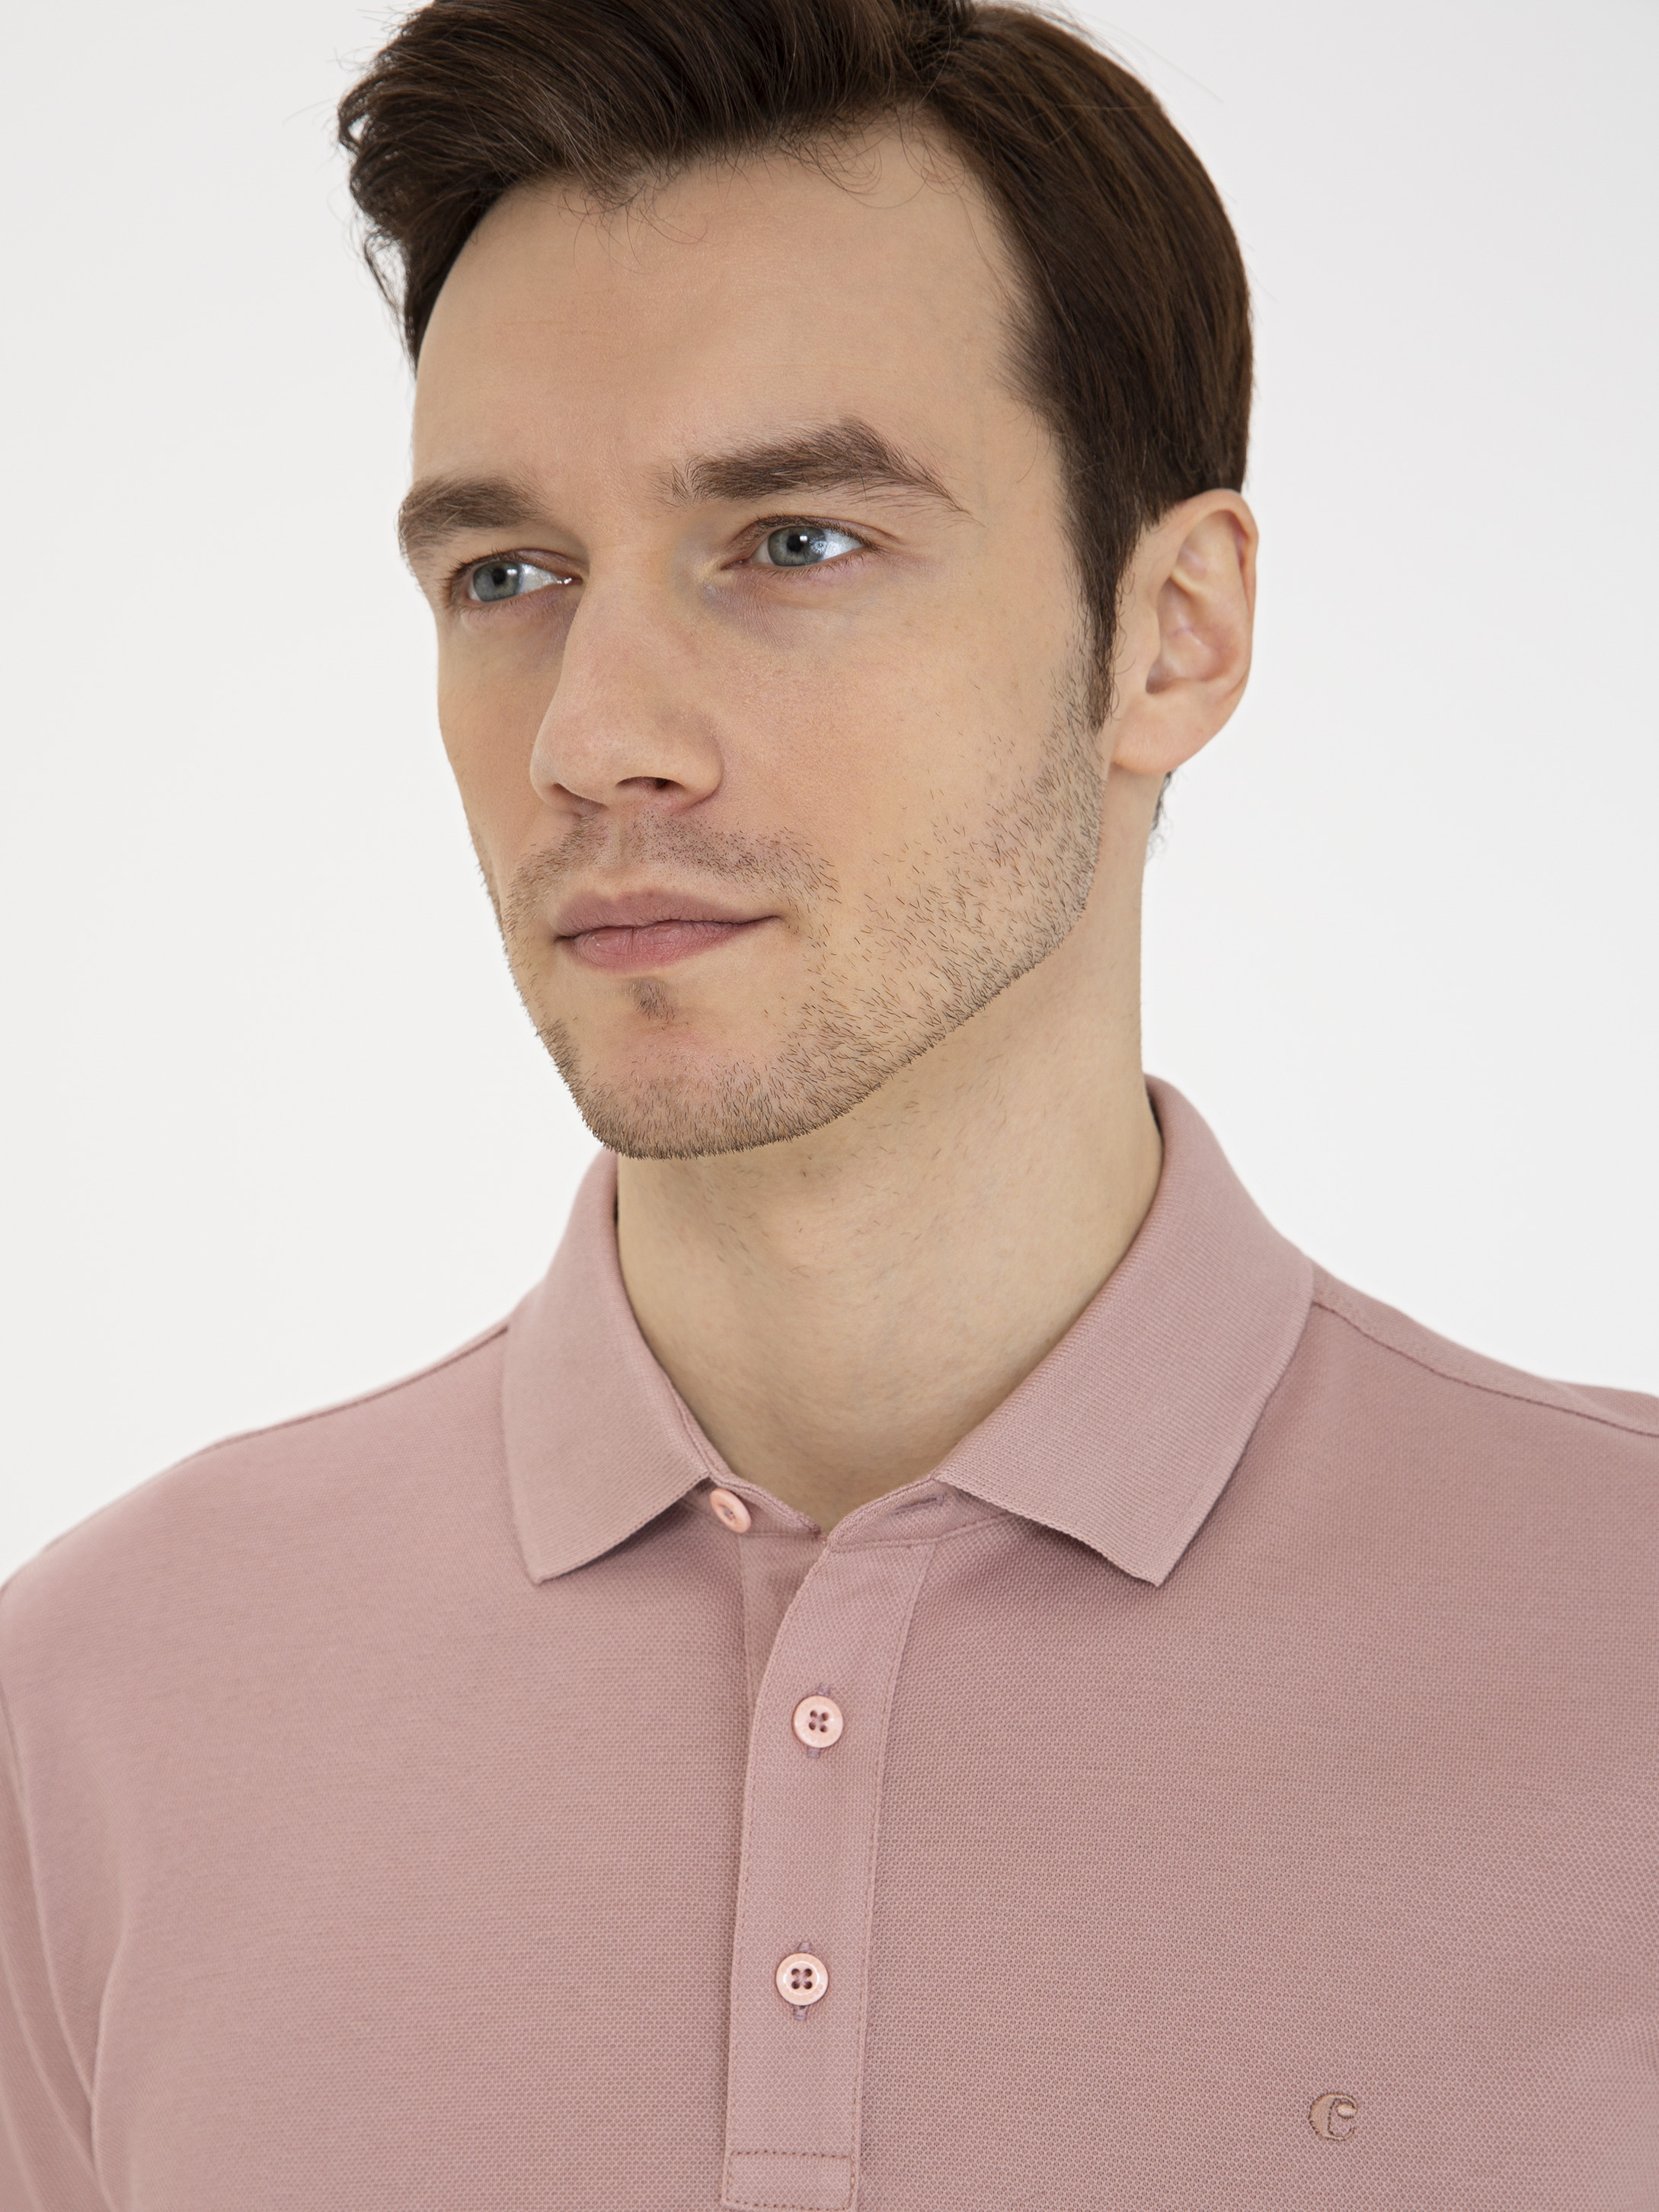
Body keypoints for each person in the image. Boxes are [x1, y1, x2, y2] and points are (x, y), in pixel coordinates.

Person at [2, 0, 1654, 2203]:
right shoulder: (102, 1708)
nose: (594, 737)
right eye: (506, 577)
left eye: (793, 541)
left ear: (1171, 632)